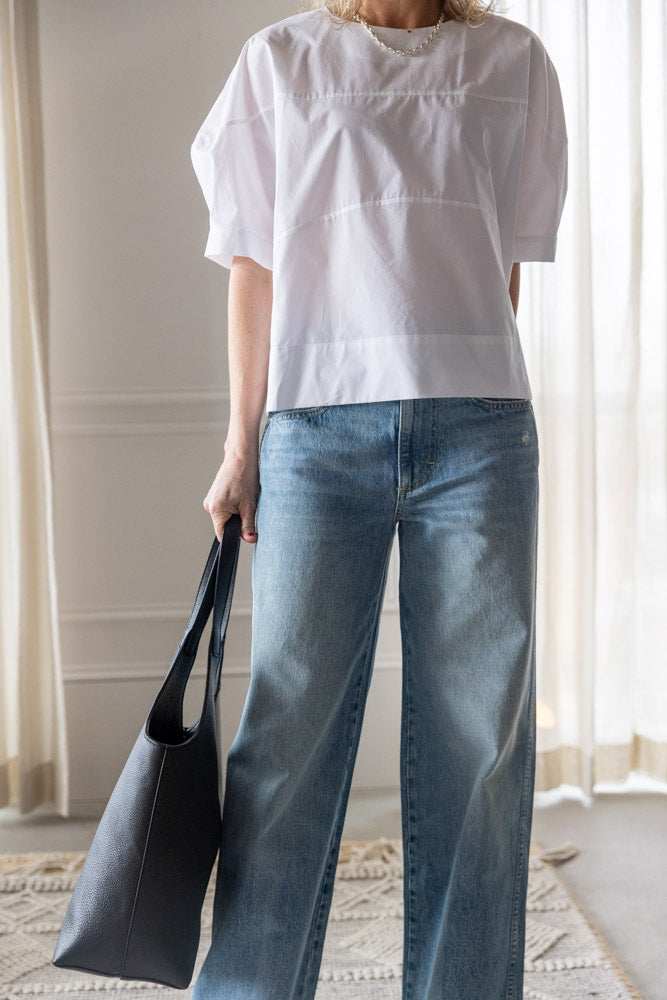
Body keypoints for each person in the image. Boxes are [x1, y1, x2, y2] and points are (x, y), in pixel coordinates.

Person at [189, 0, 568, 997]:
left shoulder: (513, 61)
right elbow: (253, 265)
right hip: (315, 435)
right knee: (288, 736)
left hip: (478, 434)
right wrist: (242, 445)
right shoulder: (280, 60)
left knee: (478, 742)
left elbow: (501, 270)